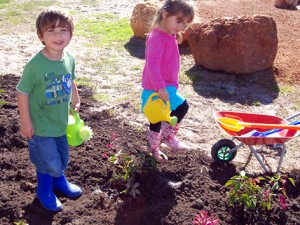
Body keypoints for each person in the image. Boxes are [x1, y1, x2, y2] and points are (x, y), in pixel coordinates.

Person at [16, 7, 82, 212]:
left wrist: (75, 98)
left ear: (70, 33)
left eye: (63, 30)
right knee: (47, 161)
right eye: (51, 31)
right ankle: (44, 189)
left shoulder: (69, 58)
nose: (58, 35)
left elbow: (70, 79)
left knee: (62, 157)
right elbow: (22, 92)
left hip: (60, 122)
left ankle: (58, 181)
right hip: (40, 125)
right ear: (41, 36)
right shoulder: (35, 65)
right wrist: (26, 122)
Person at [141, 0, 194, 162]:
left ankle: (161, 141)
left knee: (164, 116)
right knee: (166, 114)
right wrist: (160, 87)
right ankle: (162, 142)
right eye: (178, 21)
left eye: (184, 24)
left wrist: (176, 34)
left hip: (166, 86)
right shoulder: (157, 37)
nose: (181, 27)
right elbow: (152, 65)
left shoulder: (169, 34)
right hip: (157, 88)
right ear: (165, 14)